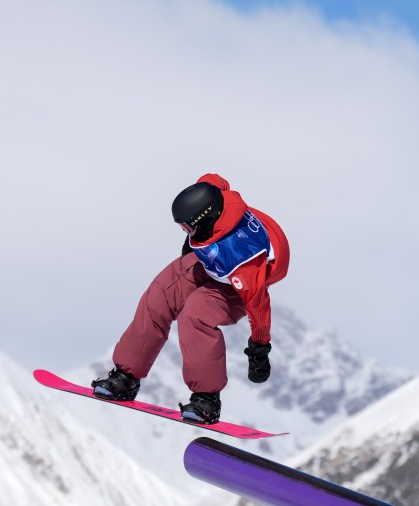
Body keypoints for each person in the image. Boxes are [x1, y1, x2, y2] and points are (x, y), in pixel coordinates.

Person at [91, 173, 290, 424]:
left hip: (241, 279)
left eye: (187, 227)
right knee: (159, 296)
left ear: (204, 220)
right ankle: (126, 378)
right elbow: (215, 181)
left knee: (196, 315)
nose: (184, 231)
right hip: (211, 259)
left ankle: (206, 399)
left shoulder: (243, 259)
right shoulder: (213, 204)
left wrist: (259, 349)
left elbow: (258, 303)